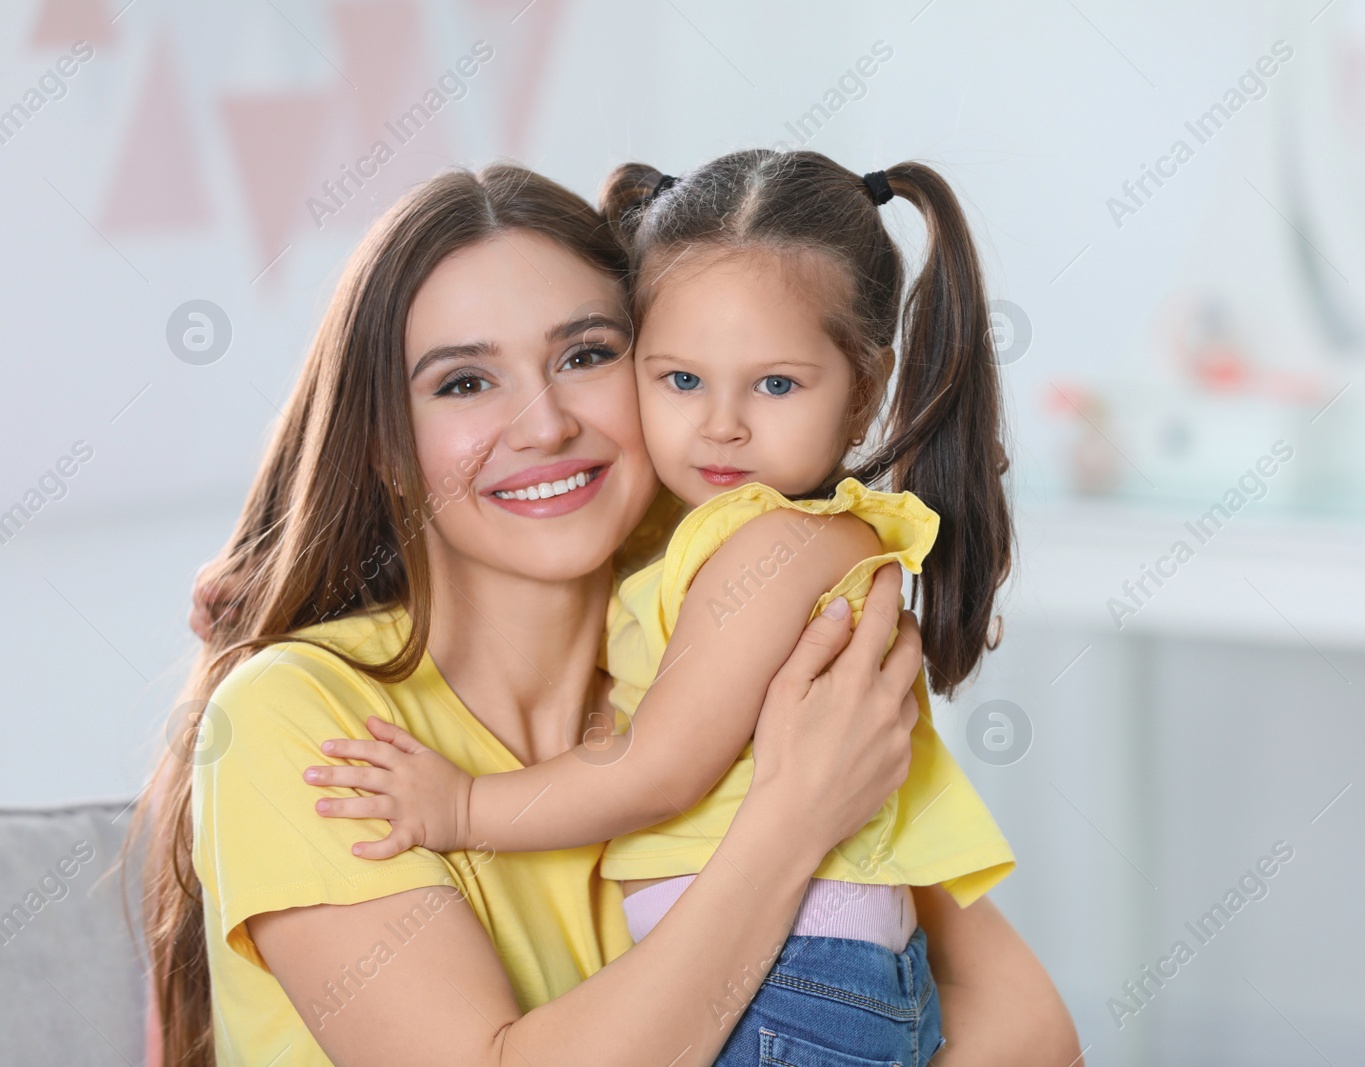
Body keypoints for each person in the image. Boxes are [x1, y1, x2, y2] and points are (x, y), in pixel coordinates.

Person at [137, 162, 1079, 1066]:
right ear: (384, 436)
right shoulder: (296, 717)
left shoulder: (713, 636)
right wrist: (790, 820)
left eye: (586, 355)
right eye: (464, 381)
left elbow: (1032, 1035)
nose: (544, 425)